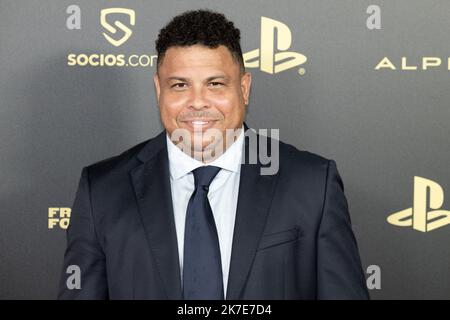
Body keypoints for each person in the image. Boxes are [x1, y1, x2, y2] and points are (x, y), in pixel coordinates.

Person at [58, 9, 369, 300]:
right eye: (180, 85)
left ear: (244, 89)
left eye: (215, 84)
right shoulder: (102, 190)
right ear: (158, 90)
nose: (197, 102)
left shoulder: (311, 184)